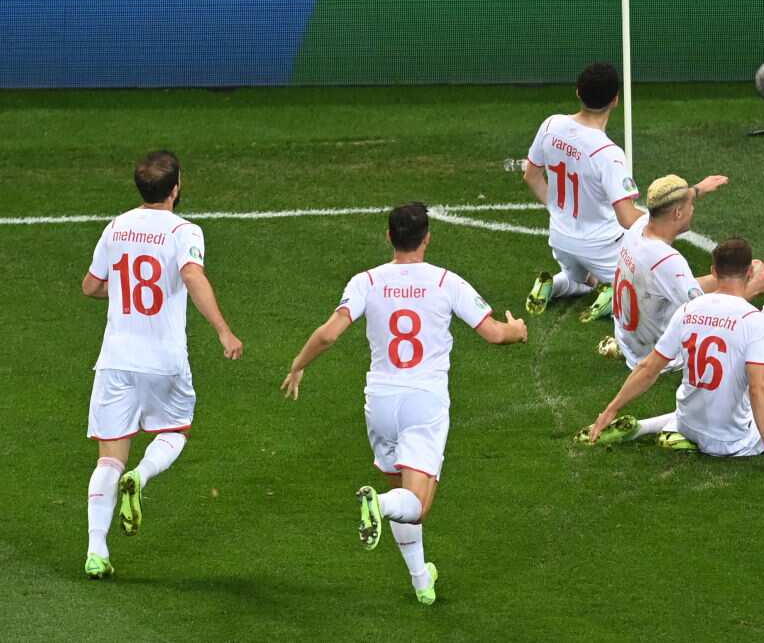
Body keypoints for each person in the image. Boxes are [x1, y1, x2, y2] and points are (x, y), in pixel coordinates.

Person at [280, 202, 527, 605]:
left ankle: (420, 581)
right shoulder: (446, 281)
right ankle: (376, 504)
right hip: (423, 403)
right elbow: (495, 334)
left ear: (389, 236)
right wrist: (517, 331)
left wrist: (298, 364)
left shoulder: (367, 281)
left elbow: (328, 334)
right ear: (427, 237)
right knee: (417, 505)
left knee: (401, 494)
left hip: (379, 401)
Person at [80, 151, 243, 579]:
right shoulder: (183, 230)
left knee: (107, 460)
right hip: (164, 360)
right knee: (175, 431)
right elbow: (191, 275)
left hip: (115, 360)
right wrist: (224, 331)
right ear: (175, 189)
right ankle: (143, 475)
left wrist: (122, 293)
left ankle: (96, 551)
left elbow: (91, 285)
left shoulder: (116, 227)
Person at [578, 238, 764, 477]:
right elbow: (759, 388)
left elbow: (648, 368)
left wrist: (610, 409)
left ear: (713, 271)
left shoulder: (688, 309)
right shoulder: (756, 321)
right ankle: (664, 429)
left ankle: (643, 428)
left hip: (688, 423)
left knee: (703, 401)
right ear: (750, 272)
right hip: (729, 440)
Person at [522, 62, 729, 322]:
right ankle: (615, 295)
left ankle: (555, 284)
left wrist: (556, 210)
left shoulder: (551, 125)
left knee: (585, 279)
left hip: (560, 241)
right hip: (601, 247)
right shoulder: (608, 154)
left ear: (577, 92)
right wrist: (686, 199)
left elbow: (531, 176)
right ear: (616, 100)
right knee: (653, 288)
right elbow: (628, 218)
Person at [597, 174, 764, 370]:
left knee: (708, 284)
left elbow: (679, 283)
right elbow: (711, 317)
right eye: (690, 206)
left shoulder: (639, 227)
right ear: (677, 214)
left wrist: (697, 189)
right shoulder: (667, 261)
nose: (693, 209)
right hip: (655, 356)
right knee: (749, 336)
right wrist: (757, 285)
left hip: (629, 338)